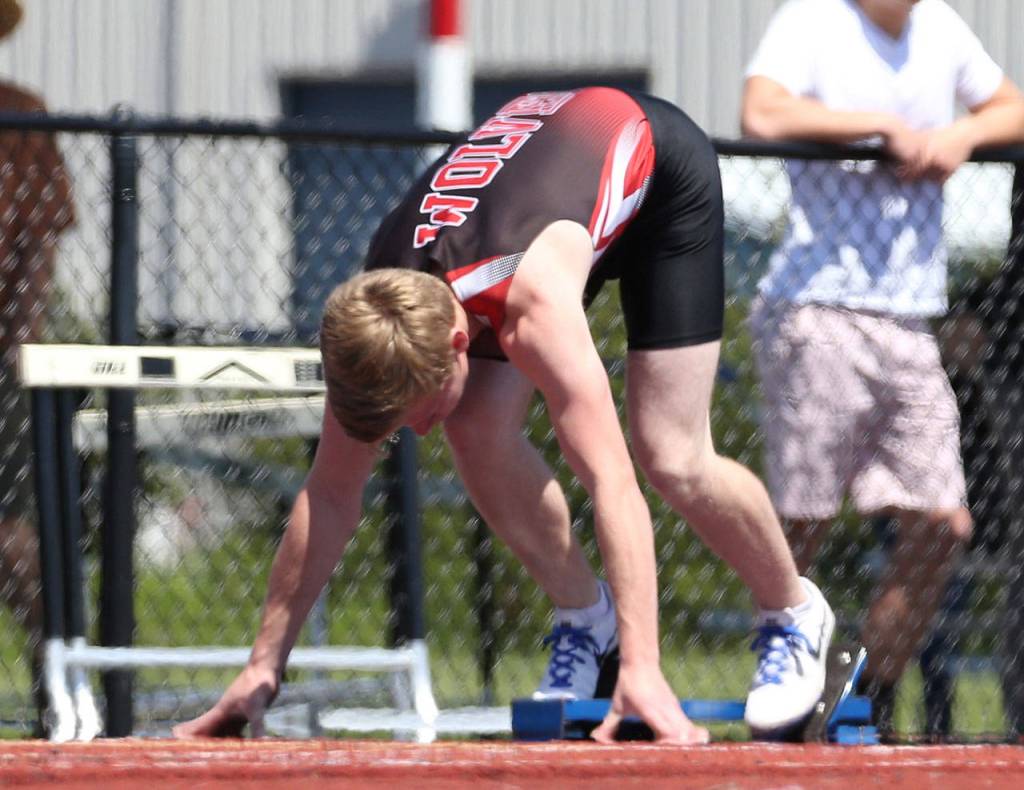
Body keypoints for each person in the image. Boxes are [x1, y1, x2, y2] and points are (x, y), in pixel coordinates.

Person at [173, 86, 835, 744]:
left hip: (656, 166)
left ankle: (793, 611)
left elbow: (614, 484)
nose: (420, 431)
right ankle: (588, 622)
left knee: (669, 454)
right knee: (476, 429)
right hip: (533, 188)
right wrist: (263, 665)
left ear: (461, 343)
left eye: (419, 412)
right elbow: (330, 494)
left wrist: (645, 669)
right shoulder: (378, 309)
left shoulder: (533, 307)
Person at [741, 0, 1024, 739]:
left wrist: (962, 133)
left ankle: (858, 688)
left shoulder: (939, 27)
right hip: (817, 306)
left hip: (908, 317)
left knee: (943, 520)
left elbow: (1012, 108)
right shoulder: (813, 21)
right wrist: (880, 126)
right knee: (803, 518)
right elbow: (762, 112)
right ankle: (780, 661)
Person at [0, 0, 77, 734]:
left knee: (9, 533)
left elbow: (41, 240)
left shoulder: (20, 116)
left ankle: (56, 666)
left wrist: (19, 342)